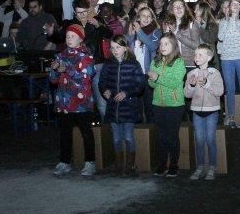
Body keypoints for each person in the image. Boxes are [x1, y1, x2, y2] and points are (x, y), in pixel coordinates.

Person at [49, 24, 97, 177]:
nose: (69, 39)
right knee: (65, 133)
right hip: (65, 101)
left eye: (73, 36)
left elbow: (86, 76)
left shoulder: (86, 55)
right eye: (67, 36)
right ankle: (64, 162)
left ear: (80, 39)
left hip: (81, 102)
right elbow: (53, 80)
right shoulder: (61, 55)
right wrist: (54, 70)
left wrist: (66, 70)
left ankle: (90, 162)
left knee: (86, 133)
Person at [99, 35, 145, 175]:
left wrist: (127, 93)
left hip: (129, 108)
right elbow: (102, 82)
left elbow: (140, 84)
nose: (115, 50)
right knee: (116, 138)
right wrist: (105, 91)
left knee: (128, 137)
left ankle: (130, 165)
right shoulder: (108, 64)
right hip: (114, 108)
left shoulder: (133, 64)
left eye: (118, 47)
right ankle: (119, 165)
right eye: (112, 47)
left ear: (125, 48)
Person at [147, 33, 187, 177]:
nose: (162, 47)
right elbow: (151, 84)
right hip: (158, 103)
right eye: (161, 44)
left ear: (174, 46)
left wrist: (157, 77)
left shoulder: (179, 62)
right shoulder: (155, 61)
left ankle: (174, 165)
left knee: (172, 136)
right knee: (161, 136)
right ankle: (162, 164)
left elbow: (175, 83)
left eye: (166, 44)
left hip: (175, 105)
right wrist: (151, 79)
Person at [185, 44, 225, 181]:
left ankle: (212, 167)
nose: (196, 57)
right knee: (199, 140)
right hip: (196, 112)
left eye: (200, 55)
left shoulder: (215, 73)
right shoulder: (191, 73)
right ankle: (200, 167)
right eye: (195, 55)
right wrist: (191, 85)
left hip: (212, 111)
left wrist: (207, 84)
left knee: (210, 140)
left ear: (209, 57)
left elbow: (220, 92)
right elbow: (187, 94)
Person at [217, 0, 240, 129]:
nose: (236, 6)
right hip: (227, 58)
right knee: (230, 88)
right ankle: (230, 117)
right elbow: (220, 37)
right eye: (233, 4)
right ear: (229, 7)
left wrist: (236, 19)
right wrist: (227, 19)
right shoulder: (222, 21)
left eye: (238, 4)